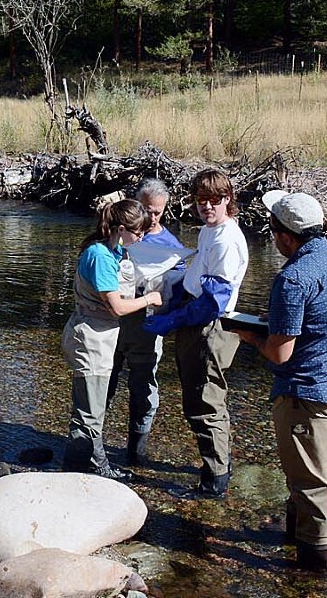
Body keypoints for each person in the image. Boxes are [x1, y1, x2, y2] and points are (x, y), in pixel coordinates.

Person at [230, 190, 327, 571]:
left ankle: (313, 567)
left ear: (287, 235)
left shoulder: (293, 279)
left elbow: (279, 354)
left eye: (273, 231)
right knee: (312, 471)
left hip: (307, 393)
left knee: (312, 482)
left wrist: (250, 336)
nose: (272, 238)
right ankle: (296, 540)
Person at [143, 168, 249, 498]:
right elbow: (197, 280)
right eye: (201, 200)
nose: (207, 206)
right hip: (195, 319)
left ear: (228, 199)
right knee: (196, 398)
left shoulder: (227, 241)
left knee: (206, 401)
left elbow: (213, 302)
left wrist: (172, 320)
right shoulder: (208, 231)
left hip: (209, 328)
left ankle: (215, 480)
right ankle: (213, 466)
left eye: (214, 199)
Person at [62, 199, 164, 481]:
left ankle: (76, 468)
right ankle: (93, 468)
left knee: (90, 409)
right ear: (121, 229)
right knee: (89, 413)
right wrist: (149, 299)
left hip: (98, 334)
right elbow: (117, 308)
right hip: (91, 338)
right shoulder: (101, 256)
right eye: (139, 233)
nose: (141, 238)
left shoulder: (112, 249)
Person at [107, 178, 185, 466]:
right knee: (106, 380)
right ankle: (93, 443)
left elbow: (178, 286)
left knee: (143, 389)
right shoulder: (119, 232)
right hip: (114, 322)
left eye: (158, 212)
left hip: (147, 325)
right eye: (147, 210)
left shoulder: (170, 245)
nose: (152, 217)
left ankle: (135, 453)